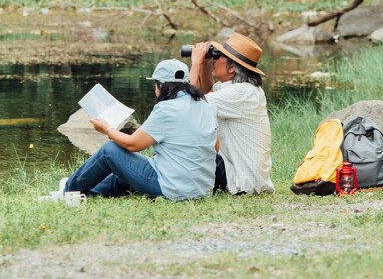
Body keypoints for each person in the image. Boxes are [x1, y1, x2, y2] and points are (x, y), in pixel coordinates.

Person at [62, 59, 218, 201]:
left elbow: (133, 145)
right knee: (125, 171)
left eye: (155, 85)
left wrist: (106, 129)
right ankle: (87, 194)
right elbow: (216, 147)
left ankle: (68, 191)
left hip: (173, 189)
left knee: (109, 151)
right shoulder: (206, 106)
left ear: (161, 86)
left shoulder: (166, 109)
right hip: (201, 189)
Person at [189, 33, 274, 195]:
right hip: (246, 177)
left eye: (219, 56)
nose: (215, 58)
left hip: (241, 181)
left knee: (187, 151)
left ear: (232, 67)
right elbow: (207, 91)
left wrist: (196, 64)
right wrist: (206, 64)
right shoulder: (244, 90)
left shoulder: (241, 93)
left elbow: (191, 105)